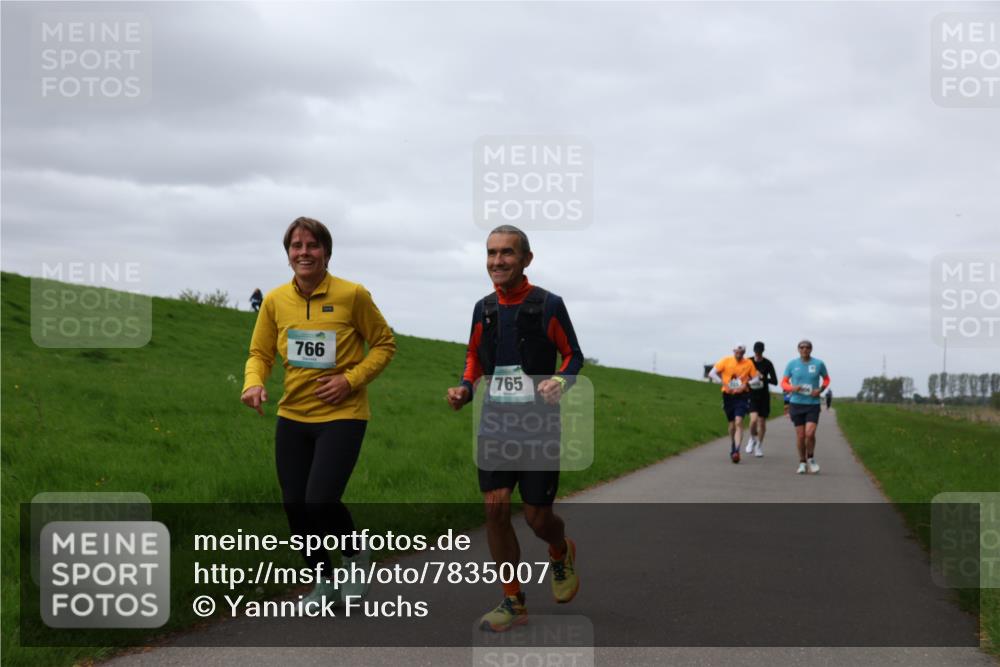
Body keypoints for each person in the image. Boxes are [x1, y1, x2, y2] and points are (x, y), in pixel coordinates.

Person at [241, 216, 396, 606]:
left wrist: (350, 379)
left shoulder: (352, 294)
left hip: (342, 415)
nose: (304, 252)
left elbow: (383, 344)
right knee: (295, 505)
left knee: (320, 501)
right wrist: (253, 382)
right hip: (293, 416)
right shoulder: (275, 301)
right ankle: (323, 579)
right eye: (296, 246)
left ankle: (356, 555)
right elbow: (259, 353)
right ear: (288, 254)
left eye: (312, 246)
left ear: (326, 252)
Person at [446, 224, 583, 632]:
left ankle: (559, 551)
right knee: (496, 508)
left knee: (539, 519)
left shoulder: (547, 305)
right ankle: (512, 600)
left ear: (526, 258)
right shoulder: (484, 308)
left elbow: (573, 356)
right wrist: (466, 387)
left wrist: (559, 381)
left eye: (506, 253)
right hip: (495, 425)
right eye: (491, 253)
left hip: (539, 427)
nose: (497, 261)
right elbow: (474, 355)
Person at [780, 340, 830, 474]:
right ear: (798, 349)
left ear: (811, 349)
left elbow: (826, 379)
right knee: (801, 436)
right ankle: (802, 462)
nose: (804, 349)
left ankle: (811, 459)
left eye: (807, 347)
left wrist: (820, 390)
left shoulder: (818, 363)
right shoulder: (792, 364)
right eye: (802, 347)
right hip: (796, 403)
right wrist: (792, 388)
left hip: (812, 404)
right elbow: (783, 383)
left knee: (810, 433)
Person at [708, 344, 760, 463]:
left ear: (744, 352)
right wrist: (724, 384)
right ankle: (733, 444)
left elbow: (756, 378)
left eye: (741, 352)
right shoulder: (726, 360)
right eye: (737, 351)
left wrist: (746, 385)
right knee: (732, 425)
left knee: (739, 421)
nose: (739, 354)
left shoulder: (748, 363)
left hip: (742, 395)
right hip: (728, 395)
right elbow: (712, 373)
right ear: (734, 351)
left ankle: (736, 450)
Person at [745, 341, 778, 458]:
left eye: (760, 352)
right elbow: (742, 375)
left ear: (763, 351)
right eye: (756, 352)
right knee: (753, 420)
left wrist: (763, 377)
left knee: (762, 423)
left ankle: (759, 446)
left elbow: (775, 381)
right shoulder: (748, 362)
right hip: (752, 395)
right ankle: (752, 439)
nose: (758, 354)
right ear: (754, 351)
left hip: (763, 396)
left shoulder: (768, 364)